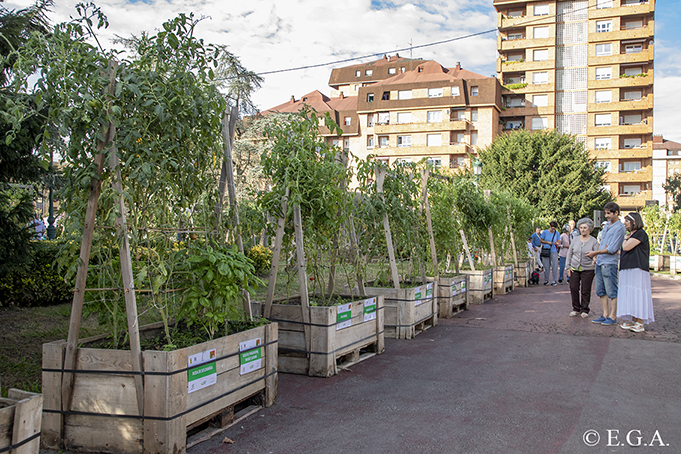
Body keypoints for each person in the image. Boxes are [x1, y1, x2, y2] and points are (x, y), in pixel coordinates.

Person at [587, 202, 626, 326]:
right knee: (600, 290)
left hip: (609, 263)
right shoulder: (607, 225)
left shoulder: (620, 228)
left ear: (616, 213)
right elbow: (603, 243)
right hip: (600, 261)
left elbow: (612, 248)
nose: (607, 216)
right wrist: (596, 256)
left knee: (612, 291)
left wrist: (595, 253)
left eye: (609, 213)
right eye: (606, 213)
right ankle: (605, 314)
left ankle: (613, 316)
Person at [617, 212, 654, 333]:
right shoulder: (632, 235)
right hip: (628, 267)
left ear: (634, 222)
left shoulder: (640, 233)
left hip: (637, 268)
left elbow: (626, 247)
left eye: (627, 221)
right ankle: (633, 319)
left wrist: (624, 239)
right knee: (630, 293)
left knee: (638, 292)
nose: (625, 223)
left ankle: (640, 321)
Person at [566, 218, 599, 318]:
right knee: (573, 288)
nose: (582, 230)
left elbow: (596, 254)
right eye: (581, 228)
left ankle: (584, 309)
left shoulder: (594, 241)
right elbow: (569, 253)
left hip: (588, 268)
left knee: (585, 290)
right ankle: (575, 308)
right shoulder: (575, 240)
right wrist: (567, 267)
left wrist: (594, 259)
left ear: (590, 229)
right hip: (574, 267)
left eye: (585, 228)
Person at [540, 221, 561, 286]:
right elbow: (541, 240)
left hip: (554, 250)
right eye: (552, 228)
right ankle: (546, 280)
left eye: (554, 229)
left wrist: (557, 243)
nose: (553, 230)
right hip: (546, 250)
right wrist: (547, 242)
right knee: (546, 266)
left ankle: (554, 280)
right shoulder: (545, 232)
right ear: (550, 226)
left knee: (555, 265)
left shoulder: (556, 233)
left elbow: (559, 240)